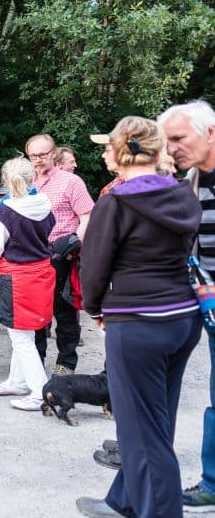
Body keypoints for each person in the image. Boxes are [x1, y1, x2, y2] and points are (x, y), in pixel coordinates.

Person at [76, 116, 202, 518]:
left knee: (143, 434)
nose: (103, 153)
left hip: (138, 324)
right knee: (153, 421)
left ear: (122, 151)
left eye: (107, 146)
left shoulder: (116, 202)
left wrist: (94, 308)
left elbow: (93, 267)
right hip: (183, 319)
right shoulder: (182, 193)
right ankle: (124, 500)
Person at [159, 99, 215, 511]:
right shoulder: (193, 182)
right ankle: (213, 481)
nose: (172, 147)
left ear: (210, 132)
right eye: (167, 141)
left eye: (179, 138)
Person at [0, 157, 55, 411]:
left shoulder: (7, 210)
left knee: (21, 337)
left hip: (17, 278)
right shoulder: (45, 203)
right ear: (32, 177)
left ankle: (39, 392)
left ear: (6, 180)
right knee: (24, 333)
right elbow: (51, 229)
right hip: (42, 273)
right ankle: (17, 381)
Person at [26, 134, 94, 375]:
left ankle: (65, 365)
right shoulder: (27, 182)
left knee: (63, 312)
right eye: (33, 155)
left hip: (60, 255)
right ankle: (35, 364)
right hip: (33, 256)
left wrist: (75, 242)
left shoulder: (70, 181)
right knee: (35, 313)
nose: (38, 160)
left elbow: (87, 215)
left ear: (53, 154)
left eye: (42, 154)